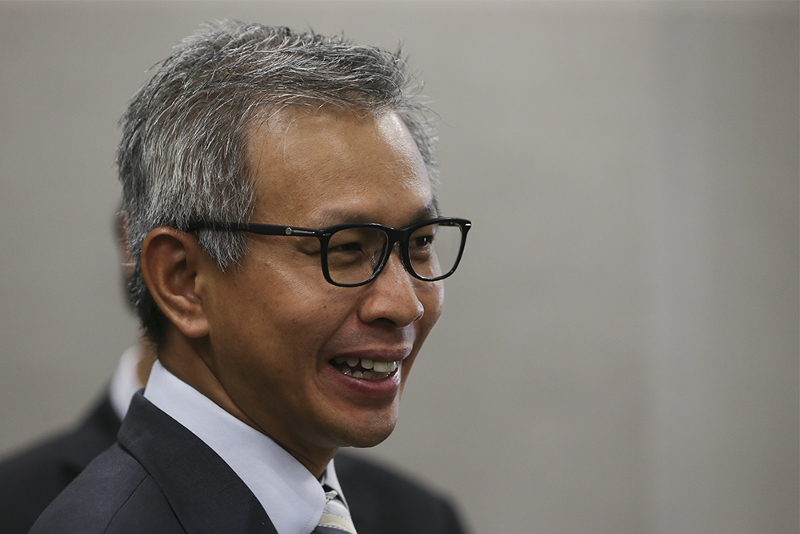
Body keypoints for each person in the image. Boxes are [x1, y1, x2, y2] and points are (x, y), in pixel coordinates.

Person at [30, 20, 471, 533]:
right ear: (183, 281)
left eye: (419, 243)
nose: (405, 304)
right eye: (346, 248)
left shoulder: (417, 519)